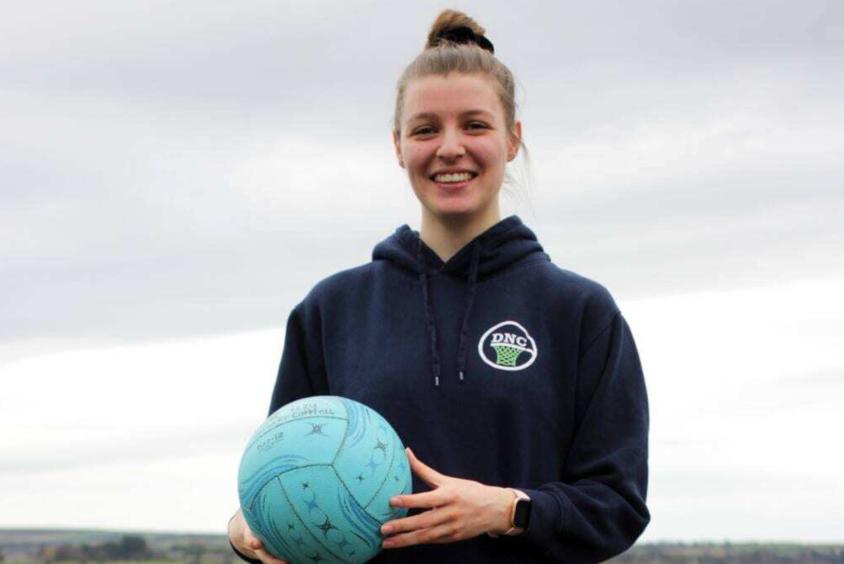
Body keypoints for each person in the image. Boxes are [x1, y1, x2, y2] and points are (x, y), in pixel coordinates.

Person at [228, 8, 649, 563]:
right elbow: (280, 470)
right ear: (399, 145)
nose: (450, 147)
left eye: (474, 125)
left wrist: (509, 510)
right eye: (426, 129)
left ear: (513, 139)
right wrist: (245, 529)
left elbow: (618, 505)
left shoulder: (579, 312)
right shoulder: (333, 309)